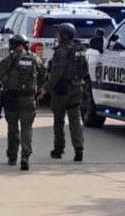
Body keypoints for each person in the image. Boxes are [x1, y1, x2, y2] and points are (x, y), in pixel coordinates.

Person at [0, 34, 47, 171]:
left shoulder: (9, 60)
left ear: (14, 44)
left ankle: (12, 157)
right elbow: (44, 75)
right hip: (29, 99)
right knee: (27, 128)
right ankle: (25, 157)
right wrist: (35, 86)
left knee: (13, 129)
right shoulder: (35, 59)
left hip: (12, 99)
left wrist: (5, 79)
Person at [38, 23, 88, 162]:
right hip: (77, 88)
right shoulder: (80, 49)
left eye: (58, 33)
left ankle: (58, 149)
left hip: (62, 89)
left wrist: (45, 88)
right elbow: (85, 70)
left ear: (64, 35)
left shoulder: (61, 51)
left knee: (59, 120)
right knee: (75, 120)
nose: (56, 35)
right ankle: (79, 148)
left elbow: (56, 72)